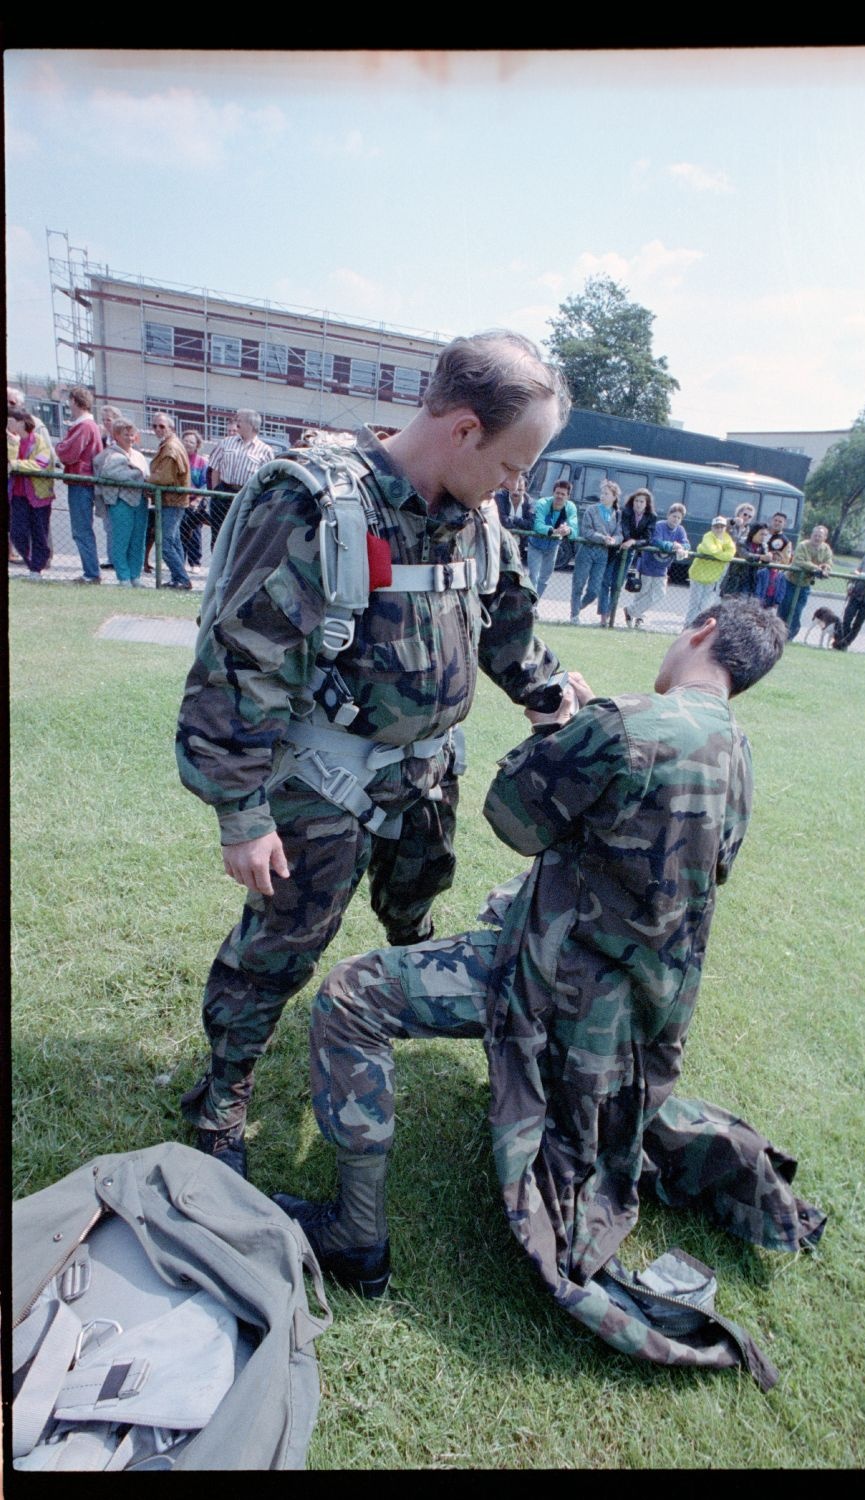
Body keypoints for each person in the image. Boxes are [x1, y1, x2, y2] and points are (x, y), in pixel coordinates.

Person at [275, 597, 824, 1392]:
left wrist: (556, 730)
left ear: (700, 630)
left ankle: (356, 1233)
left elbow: (513, 819)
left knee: (351, 998)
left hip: (550, 979)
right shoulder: (735, 750)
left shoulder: (627, 722)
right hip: (633, 1004)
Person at [176, 330, 592, 1178]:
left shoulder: (477, 516)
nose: (518, 486)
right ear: (465, 430)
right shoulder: (314, 503)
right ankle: (221, 1095)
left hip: (427, 777)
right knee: (281, 947)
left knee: (415, 915)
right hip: (323, 785)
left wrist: (542, 691)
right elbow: (239, 663)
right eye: (514, 464)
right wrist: (243, 812)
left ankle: (385, 1021)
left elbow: (502, 620)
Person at [54, 386, 104, 584]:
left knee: (81, 529)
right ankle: (91, 571)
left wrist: (59, 447)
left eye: (70, 400)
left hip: (81, 482)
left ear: (75, 401)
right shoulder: (87, 426)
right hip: (81, 481)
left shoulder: (84, 426)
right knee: (82, 528)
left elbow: (68, 452)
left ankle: (91, 573)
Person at [93, 418, 151, 586]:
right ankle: (123, 577)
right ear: (116, 435)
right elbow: (111, 474)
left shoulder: (139, 456)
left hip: (140, 501)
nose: (130, 438)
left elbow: (145, 475)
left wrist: (138, 475)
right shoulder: (109, 455)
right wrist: (137, 475)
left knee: (138, 540)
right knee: (121, 539)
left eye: (132, 434)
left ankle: (135, 576)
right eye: (126, 434)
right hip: (120, 501)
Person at [206, 409, 274, 546]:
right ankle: (217, 565)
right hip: (223, 493)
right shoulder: (226, 443)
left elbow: (269, 479)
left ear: (251, 424)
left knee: (240, 537)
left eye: (239, 420)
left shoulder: (265, 451)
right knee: (218, 536)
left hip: (246, 496)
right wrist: (215, 492)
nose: (236, 423)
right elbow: (215, 468)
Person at [623, 501, 689, 629]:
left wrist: (681, 546)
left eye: (679, 518)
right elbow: (656, 541)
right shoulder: (659, 525)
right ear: (668, 515)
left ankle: (630, 611)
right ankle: (637, 618)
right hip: (647, 566)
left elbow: (686, 544)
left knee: (659, 593)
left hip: (662, 569)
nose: (676, 519)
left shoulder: (680, 530)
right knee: (642, 593)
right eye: (674, 516)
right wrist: (672, 546)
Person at [8, 407, 56, 577]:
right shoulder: (11, 441)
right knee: (17, 533)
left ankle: (36, 569)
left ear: (21, 421)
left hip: (39, 496)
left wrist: (16, 465)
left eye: (11, 420)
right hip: (17, 495)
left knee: (39, 533)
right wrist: (13, 444)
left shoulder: (39, 441)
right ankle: (32, 563)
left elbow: (41, 464)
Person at [148, 413, 193, 589]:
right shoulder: (169, 445)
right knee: (174, 541)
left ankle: (181, 578)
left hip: (173, 501)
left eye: (161, 426)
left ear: (171, 428)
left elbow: (164, 477)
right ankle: (178, 577)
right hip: (173, 501)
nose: (158, 430)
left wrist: (146, 478)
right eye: (154, 426)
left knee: (165, 543)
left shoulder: (171, 448)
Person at [570, 479, 622, 626]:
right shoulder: (591, 510)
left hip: (603, 554)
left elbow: (620, 534)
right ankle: (574, 615)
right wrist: (601, 537)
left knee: (594, 589)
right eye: (602, 493)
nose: (603, 496)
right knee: (579, 583)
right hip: (587, 549)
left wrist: (614, 540)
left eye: (606, 493)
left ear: (614, 497)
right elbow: (586, 530)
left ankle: (579, 606)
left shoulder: (617, 514)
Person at [779, 524, 833, 639]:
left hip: (805, 585)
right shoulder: (803, 545)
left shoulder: (826, 548)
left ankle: (790, 637)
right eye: (815, 535)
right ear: (811, 535)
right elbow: (799, 561)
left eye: (820, 536)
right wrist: (816, 568)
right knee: (785, 609)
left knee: (797, 611)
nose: (817, 538)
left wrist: (825, 568)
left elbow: (828, 562)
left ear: (824, 538)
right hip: (790, 581)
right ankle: (778, 634)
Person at [527, 479, 578, 600]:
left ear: (568, 496)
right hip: (535, 545)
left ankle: (534, 605)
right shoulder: (542, 503)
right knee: (533, 576)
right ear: (553, 493)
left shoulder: (570, 507)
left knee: (544, 579)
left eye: (563, 494)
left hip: (553, 547)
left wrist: (568, 530)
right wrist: (553, 531)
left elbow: (575, 530)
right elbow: (537, 525)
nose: (559, 496)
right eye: (557, 493)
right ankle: (528, 604)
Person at [614, 487, 657, 625]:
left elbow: (648, 538)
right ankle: (612, 615)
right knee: (615, 582)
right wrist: (629, 540)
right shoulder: (626, 512)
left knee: (643, 587)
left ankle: (636, 613)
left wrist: (634, 542)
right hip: (623, 547)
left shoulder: (651, 517)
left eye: (642, 502)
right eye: (636, 501)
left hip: (639, 552)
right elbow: (625, 530)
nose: (638, 504)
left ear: (646, 504)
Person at [683, 515, 736, 624]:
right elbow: (712, 550)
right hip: (698, 576)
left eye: (722, 526)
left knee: (705, 606)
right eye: (716, 527)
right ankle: (688, 626)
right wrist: (721, 555)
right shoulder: (708, 536)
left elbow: (730, 555)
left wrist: (715, 553)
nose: (719, 529)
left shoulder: (727, 539)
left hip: (713, 578)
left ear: (725, 528)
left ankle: (698, 627)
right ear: (712, 527)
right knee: (694, 604)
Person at [97, 405, 124, 569]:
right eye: (104, 420)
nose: (106, 423)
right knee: (108, 526)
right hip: (104, 489)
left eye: (109, 419)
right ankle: (112, 558)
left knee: (119, 526)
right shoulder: (103, 439)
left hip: (118, 489)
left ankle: (120, 559)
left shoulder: (123, 440)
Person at [180, 430, 210, 571]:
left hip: (194, 502)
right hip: (179, 500)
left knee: (194, 533)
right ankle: (180, 561)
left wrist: (197, 500)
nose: (188, 444)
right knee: (178, 533)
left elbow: (205, 483)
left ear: (197, 445)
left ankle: (195, 562)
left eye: (191, 442)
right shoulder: (178, 458)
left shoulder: (202, 462)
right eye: (185, 441)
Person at [495, 473, 535, 564]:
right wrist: (520, 525)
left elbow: (531, 524)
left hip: (520, 542)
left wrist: (514, 519)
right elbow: (502, 520)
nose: (516, 492)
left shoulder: (530, 503)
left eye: (520, 490)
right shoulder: (500, 497)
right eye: (515, 489)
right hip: (499, 538)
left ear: (525, 490)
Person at [719, 502, 757, 597]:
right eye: (745, 514)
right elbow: (720, 523)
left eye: (750, 516)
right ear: (739, 513)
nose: (746, 517)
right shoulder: (730, 523)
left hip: (735, 563)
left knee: (729, 590)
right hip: (722, 558)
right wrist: (733, 521)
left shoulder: (748, 530)